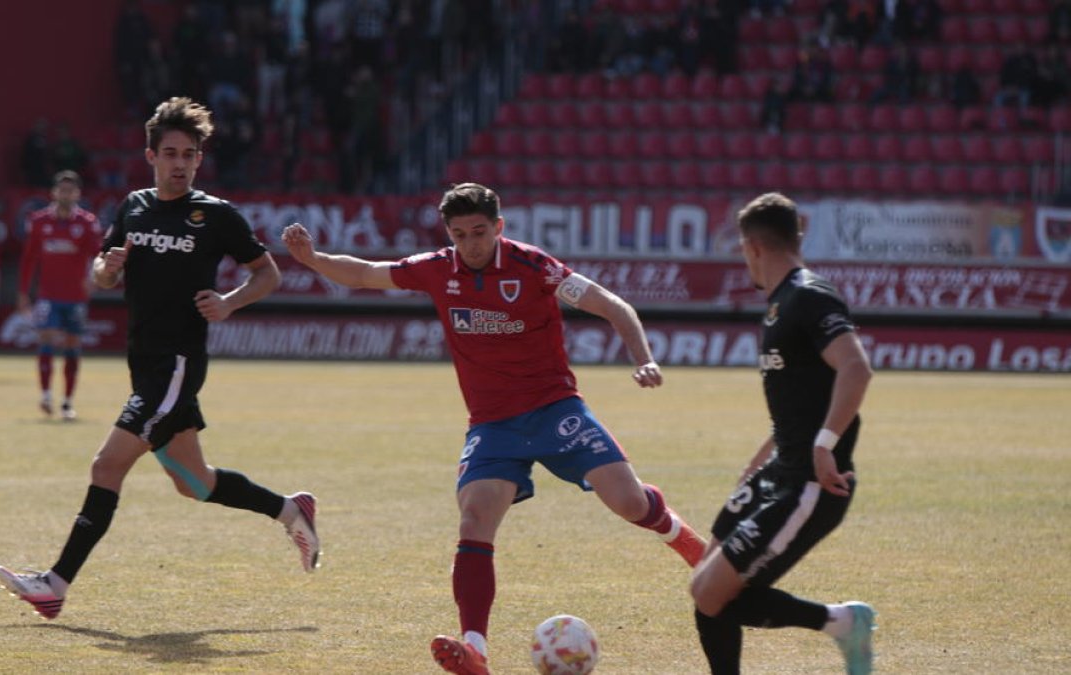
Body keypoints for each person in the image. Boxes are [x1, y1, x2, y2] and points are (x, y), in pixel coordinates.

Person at [281, 182, 705, 675]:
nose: (471, 244)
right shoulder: (439, 269)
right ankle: (475, 649)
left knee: (630, 504)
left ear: (499, 227)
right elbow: (367, 273)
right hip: (493, 424)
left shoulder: (534, 266)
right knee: (474, 519)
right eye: (460, 235)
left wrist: (644, 359)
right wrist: (312, 259)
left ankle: (699, 551)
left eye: (480, 232)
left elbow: (614, 306)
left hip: (555, 409)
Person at [0, 97, 321, 621]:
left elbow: (267, 273)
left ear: (198, 159)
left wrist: (229, 302)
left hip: (176, 366)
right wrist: (108, 267)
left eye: (189, 154)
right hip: (144, 362)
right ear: (150, 155)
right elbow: (103, 275)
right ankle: (290, 510)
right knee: (196, 482)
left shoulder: (215, 215)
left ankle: (55, 584)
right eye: (170, 152)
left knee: (106, 465)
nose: (180, 163)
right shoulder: (134, 206)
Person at [688, 192, 876, 675]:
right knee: (704, 586)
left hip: (811, 483)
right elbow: (799, 404)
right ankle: (840, 623)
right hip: (777, 471)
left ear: (751, 247)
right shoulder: (779, 305)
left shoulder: (809, 295)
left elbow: (855, 368)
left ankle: (843, 624)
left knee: (715, 595)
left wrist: (823, 444)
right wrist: (757, 463)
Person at [16, 170, 102, 420]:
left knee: (73, 345)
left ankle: (67, 402)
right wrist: (23, 292)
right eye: (62, 190)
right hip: (47, 295)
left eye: (71, 190)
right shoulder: (39, 221)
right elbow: (29, 259)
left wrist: (94, 278)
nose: (66, 194)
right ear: (54, 192)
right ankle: (45, 396)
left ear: (77, 193)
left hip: (75, 296)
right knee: (46, 339)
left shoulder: (87, 223)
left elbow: (97, 255)